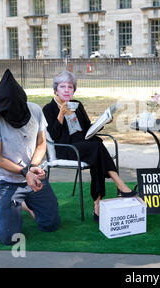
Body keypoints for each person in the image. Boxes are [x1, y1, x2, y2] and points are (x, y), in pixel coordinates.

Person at [42, 70, 136, 222]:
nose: (67, 90)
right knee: (97, 147)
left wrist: (103, 123)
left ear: (74, 90)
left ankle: (98, 205)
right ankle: (119, 186)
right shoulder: (48, 109)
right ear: (55, 89)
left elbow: (87, 128)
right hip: (66, 148)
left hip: (84, 145)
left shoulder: (78, 105)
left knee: (96, 148)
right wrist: (61, 114)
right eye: (63, 86)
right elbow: (53, 136)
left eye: (70, 87)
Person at [0, 69, 61, 245]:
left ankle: (23, 204)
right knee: (8, 238)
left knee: (50, 224)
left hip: (32, 175)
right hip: (7, 182)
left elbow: (41, 143)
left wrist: (32, 167)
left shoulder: (35, 110)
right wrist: (24, 171)